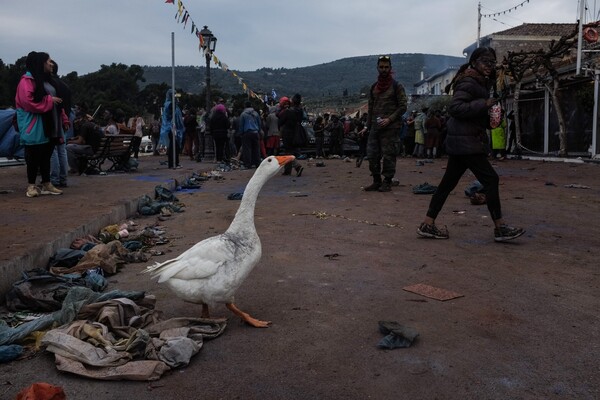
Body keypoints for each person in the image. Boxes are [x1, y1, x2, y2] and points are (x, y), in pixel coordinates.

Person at [417, 47, 525, 242]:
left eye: (492, 63)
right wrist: (484, 104)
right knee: (491, 180)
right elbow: (456, 108)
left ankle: (427, 223)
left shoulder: (479, 82)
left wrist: (489, 119)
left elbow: (471, 115)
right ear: (474, 62)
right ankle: (500, 228)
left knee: (446, 184)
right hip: (467, 142)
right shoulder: (469, 81)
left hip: (463, 141)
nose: (490, 66)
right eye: (486, 62)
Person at [15, 51, 68, 197]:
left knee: (46, 155)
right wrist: (49, 101)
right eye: (49, 61)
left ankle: (46, 183)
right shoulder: (27, 81)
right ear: (41, 63)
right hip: (35, 125)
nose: (51, 64)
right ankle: (31, 186)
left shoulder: (48, 80)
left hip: (50, 123)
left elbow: (59, 102)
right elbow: (28, 103)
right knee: (33, 156)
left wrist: (63, 118)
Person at [364, 55, 407, 192]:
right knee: (372, 155)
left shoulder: (396, 86)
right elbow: (371, 107)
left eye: (386, 67)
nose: (383, 69)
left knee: (389, 155)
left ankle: (387, 181)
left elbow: (403, 106)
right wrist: (367, 126)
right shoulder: (374, 87)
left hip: (391, 128)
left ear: (390, 68)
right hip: (375, 128)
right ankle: (376, 181)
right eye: (381, 67)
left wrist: (389, 119)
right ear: (377, 68)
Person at [48, 60, 71, 188]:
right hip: (64, 120)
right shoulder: (65, 86)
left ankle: (54, 179)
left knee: (53, 150)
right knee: (62, 150)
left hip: (55, 120)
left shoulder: (51, 85)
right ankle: (63, 178)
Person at [277, 94, 304, 176]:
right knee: (290, 151)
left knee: (288, 152)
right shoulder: (301, 111)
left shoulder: (288, 111)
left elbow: (280, 122)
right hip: (297, 132)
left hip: (288, 133)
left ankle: (297, 166)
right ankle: (287, 170)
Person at [159, 89, 184, 169]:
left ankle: (175, 163)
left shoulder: (174, 105)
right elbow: (171, 112)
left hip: (173, 128)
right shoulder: (169, 104)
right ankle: (172, 163)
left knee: (175, 146)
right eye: (174, 95)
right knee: (173, 146)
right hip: (170, 128)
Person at [238, 100, 262, 169]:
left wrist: (241, 133)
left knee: (247, 149)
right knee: (256, 149)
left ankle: (248, 164)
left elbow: (241, 125)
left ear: (245, 106)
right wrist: (259, 131)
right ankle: (257, 163)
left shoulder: (243, 114)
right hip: (255, 132)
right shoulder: (256, 113)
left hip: (247, 133)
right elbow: (259, 124)